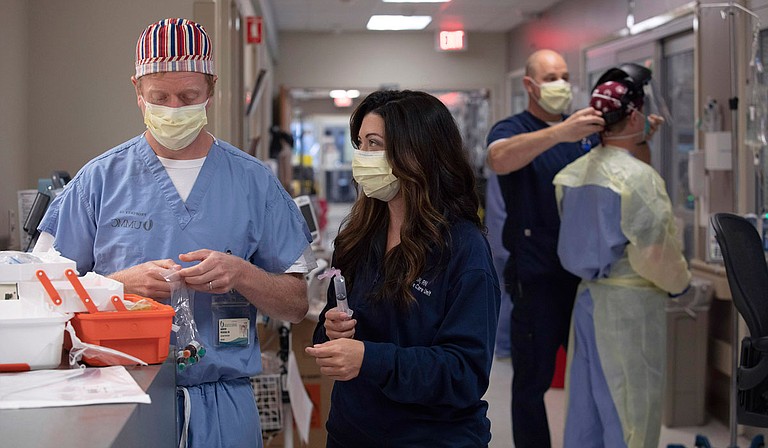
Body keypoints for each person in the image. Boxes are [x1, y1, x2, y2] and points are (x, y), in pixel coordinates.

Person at [35, 18, 315, 448]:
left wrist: (242, 274)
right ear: (137, 91)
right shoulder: (98, 181)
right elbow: (38, 298)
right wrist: (116, 285)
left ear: (212, 90)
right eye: (159, 98)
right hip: (118, 397)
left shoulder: (253, 183)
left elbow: (297, 306)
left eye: (188, 97)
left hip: (224, 405)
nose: (173, 109)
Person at [305, 90, 501, 447]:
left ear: (416, 152)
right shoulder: (357, 238)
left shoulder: (462, 250)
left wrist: (370, 358)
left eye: (374, 144)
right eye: (360, 143)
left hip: (430, 437)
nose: (362, 156)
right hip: (353, 432)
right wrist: (331, 331)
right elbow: (330, 332)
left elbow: (464, 374)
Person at [553, 64, 690, 448]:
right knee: (629, 406)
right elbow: (656, 252)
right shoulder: (639, 179)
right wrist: (681, 284)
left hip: (588, 303)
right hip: (629, 310)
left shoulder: (572, 174)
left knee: (586, 409)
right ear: (633, 114)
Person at [485, 48, 604, 448]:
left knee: (590, 381)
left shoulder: (586, 133)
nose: (561, 84)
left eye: (565, 75)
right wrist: (559, 132)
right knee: (531, 385)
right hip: (537, 280)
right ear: (530, 85)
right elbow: (497, 159)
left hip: (587, 279)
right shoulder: (513, 128)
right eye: (551, 77)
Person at [485, 171, 512, 358]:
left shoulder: (497, 169)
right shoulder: (511, 164)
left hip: (495, 237)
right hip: (506, 242)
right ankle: (503, 345)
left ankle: (500, 344)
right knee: (508, 293)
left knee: (500, 292)